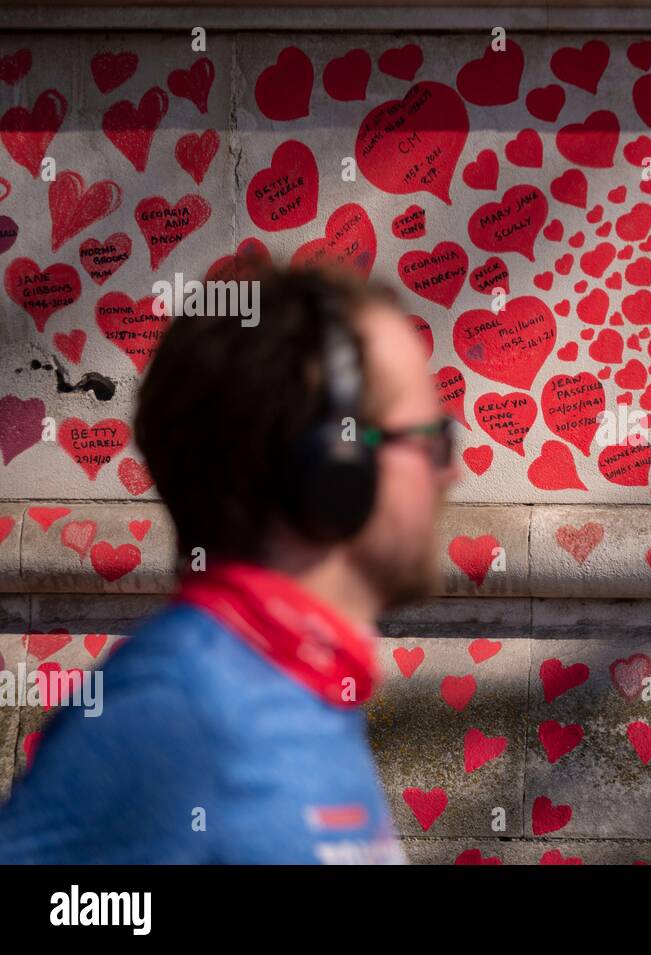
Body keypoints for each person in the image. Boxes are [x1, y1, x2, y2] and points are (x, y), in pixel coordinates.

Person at [0, 266, 456, 863]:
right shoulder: (180, 707)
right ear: (335, 470)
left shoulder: (299, 679)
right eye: (432, 439)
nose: (450, 473)